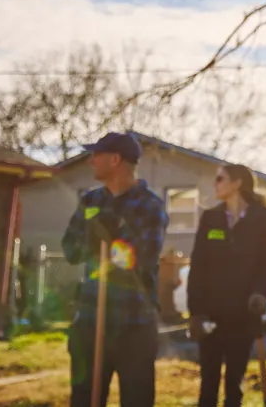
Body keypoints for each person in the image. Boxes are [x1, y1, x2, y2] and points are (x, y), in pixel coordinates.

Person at [62, 132, 168, 407]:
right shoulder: (90, 202)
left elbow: (141, 260)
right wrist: (91, 239)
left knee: (137, 401)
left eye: (95, 155)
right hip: (90, 320)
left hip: (133, 325)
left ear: (115, 159)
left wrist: (112, 241)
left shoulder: (149, 206)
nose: (90, 162)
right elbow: (70, 250)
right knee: (84, 400)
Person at [187, 164, 266, 407]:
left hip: (243, 314)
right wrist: (195, 311)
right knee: (208, 383)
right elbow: (198, 267)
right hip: (211, 314)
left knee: (234, 385)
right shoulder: (211, 218)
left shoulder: (261, 218)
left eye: (220, 179)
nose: (215, 184)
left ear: (236, 183)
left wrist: (261, 293)